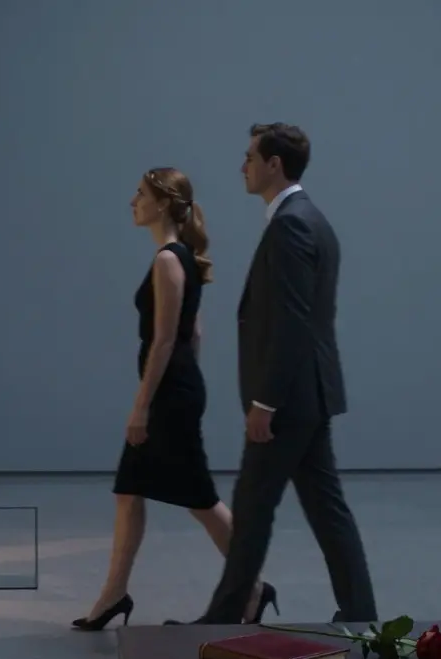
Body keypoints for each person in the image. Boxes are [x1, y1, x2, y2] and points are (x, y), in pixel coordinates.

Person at [175, 123, 378, 626]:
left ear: (274, 164)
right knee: (325, 510)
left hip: (286, 400)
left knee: (253, 509)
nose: (242, 166)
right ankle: (360, 614)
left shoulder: (290, 225)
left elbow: (291, 321)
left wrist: (265, 402)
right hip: (309, 394)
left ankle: (225, 617)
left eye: (249, 157)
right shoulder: (311, 220)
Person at [71, 167, 277, 631]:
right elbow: (194, 333)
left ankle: (253, 586)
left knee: (200, 498)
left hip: (168, 397)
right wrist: (185, 385)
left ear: (163, 203)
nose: (133, 201)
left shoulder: (168, 260)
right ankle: (113, 594)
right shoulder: (180, 257)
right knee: (129, 492)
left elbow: (165, 340)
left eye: (140, 194)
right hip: (177, 390)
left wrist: (143, 406)